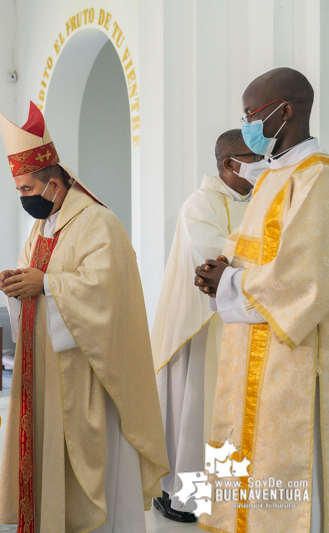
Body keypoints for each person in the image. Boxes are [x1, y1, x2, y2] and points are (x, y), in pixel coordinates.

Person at [0, 102, 168, 533]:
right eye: (18, 191)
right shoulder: (45, 224)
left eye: (26, 189)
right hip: (44, 366)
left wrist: (47, 285)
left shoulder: (97, 222)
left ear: (54, 183)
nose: (23, 199)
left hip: (88, 372)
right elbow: (35, 274)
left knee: (95, 469)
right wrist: (16, 284)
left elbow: (106, 292)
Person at [195, 67, 328, 533]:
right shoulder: (272, 175)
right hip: (247, 342)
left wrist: (228, 284)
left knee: (281, 467)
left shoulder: (317, 179)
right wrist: (216, 272)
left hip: (286, 354)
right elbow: (242, 247)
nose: (248, 124)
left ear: (285, 110)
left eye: (252, 114)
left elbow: (304, 278)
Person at [150, 130, 256, 522]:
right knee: (198, 410)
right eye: (253, 157)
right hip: (203, 325)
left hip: (245, 318)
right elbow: (211, 259)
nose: (262, 164)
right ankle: (185, 498)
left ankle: (232, 495)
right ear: (229, 164)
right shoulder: (201, 204)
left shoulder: (257, 201)